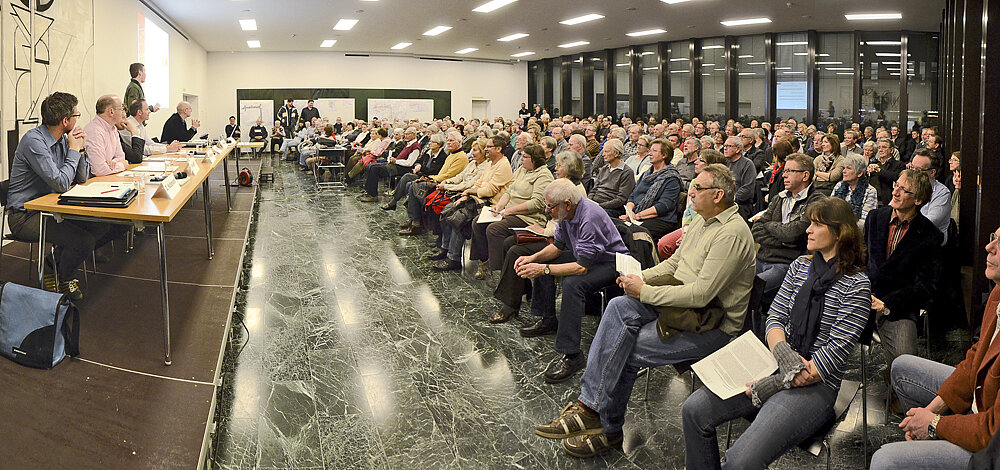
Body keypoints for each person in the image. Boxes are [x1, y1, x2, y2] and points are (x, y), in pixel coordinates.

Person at [533, 164, 756, 458]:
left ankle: (606, 428)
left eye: (697, 188)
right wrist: (642, 278)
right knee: (619, 304)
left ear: (717, 195)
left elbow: (701, 294)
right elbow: (676, 264)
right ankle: (592, 409)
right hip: (679, 305)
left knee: (625, 350)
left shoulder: (731, 233)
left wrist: (646, 291)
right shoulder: (704, 219)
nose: (690, 191)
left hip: (710, 324)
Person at [683, 197, 871, 470]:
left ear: (840, 231)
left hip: (817, 387)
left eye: (816, 224)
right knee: (694, 410)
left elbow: (831, 356)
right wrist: (783, 356)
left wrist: (773, 383)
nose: (807, 229)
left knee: (741, 460)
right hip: (775, 363)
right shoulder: (800, 267)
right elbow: (775, 318)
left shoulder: (857, 285)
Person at [870, 224, 1000, 469]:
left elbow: (991, 431)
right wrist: (928, 414)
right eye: (994, 237)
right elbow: (975, 359)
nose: (988, 246)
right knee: (902, 366)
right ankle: (921, 442)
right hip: (979, 403)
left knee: (885, 461)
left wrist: (935, 424)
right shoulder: (997, 294)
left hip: (991, 447)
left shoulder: (926, 233)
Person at [502, 179, 628, 383]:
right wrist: (533, 259)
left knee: (572, 284)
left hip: (611, 261)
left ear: (567, 204)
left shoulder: (589, 216)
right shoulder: (564, 214)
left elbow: (581, 268)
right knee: (545, 266)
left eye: (549, 206)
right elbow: (557, 248)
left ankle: (572, 355)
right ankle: (548, 319)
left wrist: (542, 268)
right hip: (588, 257)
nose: (546, 210)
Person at [8, 92, 115, 301]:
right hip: (24, 215)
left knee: (102, 225)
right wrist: (74, 150)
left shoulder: (63, 139)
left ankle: (53, 264)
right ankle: (62, 275)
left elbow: (82, 177)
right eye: (76, 115)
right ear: (65, 121)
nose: (78, 119)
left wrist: (80, 148)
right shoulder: (34, 141)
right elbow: (61, 183)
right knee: (82, 241)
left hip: (51, 207)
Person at [865, 169, 942, 364]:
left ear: (918, 200)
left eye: (903, 190)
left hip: (897, 307)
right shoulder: (874, 217)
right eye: (896, 186)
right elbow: (860, 260)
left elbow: (927, 286)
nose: (895, 192)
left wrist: (888, 304)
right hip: (863, 296)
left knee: (905, 361)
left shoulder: (929, 234)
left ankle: (895, 385)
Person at [470, 140, 553, 279]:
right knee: (477, 222)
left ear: (535, 159)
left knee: (494, 229)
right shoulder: (522, 169)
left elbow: (537, 204)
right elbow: (509, 191)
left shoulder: (543, 175)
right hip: (509, 211)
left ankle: (500, 271)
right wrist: (499, 206)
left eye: (525, 157)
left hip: (528, 217)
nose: (521, 159)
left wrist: (509, 211)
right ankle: (484, 261)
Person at [434, 136, 514, 272]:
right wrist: (466, 194)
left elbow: (490, 190)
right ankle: (445, 248)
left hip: (492, 204)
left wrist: (469, 192)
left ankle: (453, 258)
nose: (486, 149)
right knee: (450, 209)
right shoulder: (490, 163)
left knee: (460, 217)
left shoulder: (503, 165)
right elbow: (479, 183)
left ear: (499, 149)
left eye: (489, 147)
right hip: (479, 198)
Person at [751, 153, 824, 294]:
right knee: (732, 282)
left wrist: (769, 225)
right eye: (784, 171)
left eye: (789, 171)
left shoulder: (816, 201)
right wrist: (781, 240)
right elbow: (756, 229)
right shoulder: (780, 197)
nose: (784, 175)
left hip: (788, 263)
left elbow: (792, 234)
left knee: (752, 288)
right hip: (761, 259)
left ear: (805, 175)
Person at [657, 149, 729, 260]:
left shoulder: (721, 187)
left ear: (711, 166)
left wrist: (689, 236)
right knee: (664, 244)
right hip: (690, 226)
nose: (696, 162)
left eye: (701, 160)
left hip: (708, 227)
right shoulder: (694, 182)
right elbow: (688, 212)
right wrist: (685, 232)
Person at [620, 138, 683, 241]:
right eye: (650, 150)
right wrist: (629, 212)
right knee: (616, 227)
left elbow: (663, 206)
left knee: (631, 232)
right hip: (637, 215)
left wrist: (637, 216)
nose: (650, 153)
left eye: (654, 151)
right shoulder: (646, 174)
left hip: (660, 219)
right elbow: (632, 196)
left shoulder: (671, 178)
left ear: (664, 155)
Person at [359, 127, 421, 202]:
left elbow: (409, 163)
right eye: (405, 134)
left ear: (413, 134)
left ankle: (373, 195)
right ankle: (368, 191)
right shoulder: (408, 144)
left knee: (374, 169)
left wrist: (396, 161)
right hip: (396, 165)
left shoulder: (415, 147)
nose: (405, 136)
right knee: (371, 165)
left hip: (402, 169)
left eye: (407, 134)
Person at [909, 148, 952, 244]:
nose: (912, 173)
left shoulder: (942, 193)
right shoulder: (906, 186)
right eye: (912, 168)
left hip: (930, 245)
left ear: (932, 172)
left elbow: (928, 223)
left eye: (918, 170)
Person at [587, 138, 635, 218]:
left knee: (592, 215)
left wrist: (599, 206)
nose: (603, 155)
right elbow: (594, 189)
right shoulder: (604, 168)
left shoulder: (627, 172)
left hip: (612, 208)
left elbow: (621, 199)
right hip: (597, 204)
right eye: (603, 151)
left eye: (606, 151)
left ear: (616, 153)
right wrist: (589, 202)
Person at [83, 95, 129, 176]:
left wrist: (114, 162)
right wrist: (122, 165)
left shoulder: (113, 128)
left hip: (109, 176)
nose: (123, 112)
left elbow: (121, 156)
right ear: (111, 111)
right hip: (95, 182)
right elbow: (99, 170)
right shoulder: (94, 131)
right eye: (121, 109)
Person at [832, 153, 878, 231]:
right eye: (844, 168)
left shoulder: (870, 191)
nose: (844, 171)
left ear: (859, 173)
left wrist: (841, 229)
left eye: (848, 168)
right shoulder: (839, 186)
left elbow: (864, 222)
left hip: (853, 233)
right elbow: (830, 210)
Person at [722, 135, 757, 219]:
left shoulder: (747, 164)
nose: (725, 148)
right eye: (724, 146)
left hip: (740, 205)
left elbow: (747, 189)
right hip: (723, 204)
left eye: (728, 146)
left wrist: (729, 200)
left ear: (737, 149)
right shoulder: (724, 163)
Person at [869, 137, 906, 205]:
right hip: (871, 200)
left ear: (891, 150)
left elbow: (895, 177)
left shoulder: (898, 165)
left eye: (884, 147)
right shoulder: (874, 163)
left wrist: (879, 171)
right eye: (879, 147)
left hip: (886, 201)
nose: (880, 150)